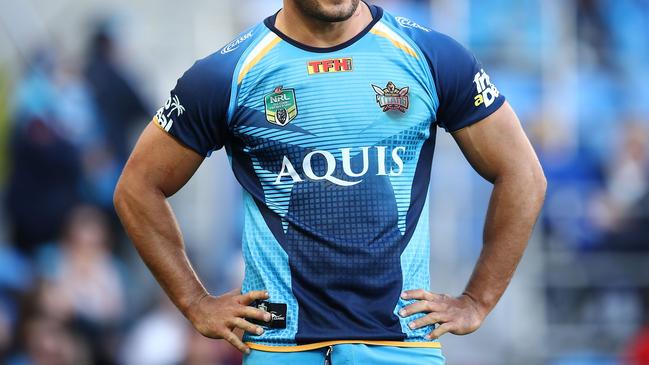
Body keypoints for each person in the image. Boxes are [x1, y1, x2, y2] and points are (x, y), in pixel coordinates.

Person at [114, 1, 546, 364]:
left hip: (402, 346)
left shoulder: (430, 55)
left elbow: (524, 175)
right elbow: (137, 188)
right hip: (280, 347)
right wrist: (195, 302)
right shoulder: (227, 74)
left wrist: (478, 301)